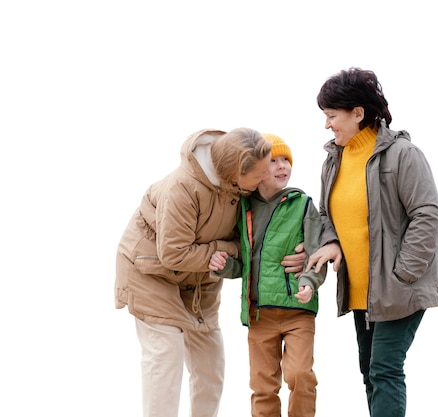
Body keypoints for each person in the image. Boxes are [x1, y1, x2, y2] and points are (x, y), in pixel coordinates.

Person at [115, 127, 306, 417]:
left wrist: (302, 250)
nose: (265, 176)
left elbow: (255, 244)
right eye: (259, 173)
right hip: (151, 273)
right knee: (166, 358)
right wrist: (220, 250)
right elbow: (173, 253)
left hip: (199, 281)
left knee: (210, 366)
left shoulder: (245, 187)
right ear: (235, 174)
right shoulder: (182, 188)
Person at [306, 68, 438, 417]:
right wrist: (332, 243)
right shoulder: (333, 160)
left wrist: (403, 275)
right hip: (361, 290)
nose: (327, 125)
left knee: (384, 369)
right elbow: (326, 214)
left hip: (399, 288)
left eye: (331, 116)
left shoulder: (402, 154)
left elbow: (426, 214)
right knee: (370, 371)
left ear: (358, 113)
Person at [209, 133, 327, 417]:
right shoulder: (244, 209)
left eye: (285, 159)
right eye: (273, 161)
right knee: (262, 386)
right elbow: (245, 266)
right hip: (259, 312)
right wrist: (224, 265)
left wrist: (309, 283)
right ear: (257, 170)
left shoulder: (302, 205)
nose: (282, 166)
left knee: (300, 376)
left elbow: (316, 255)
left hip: (298, 310)